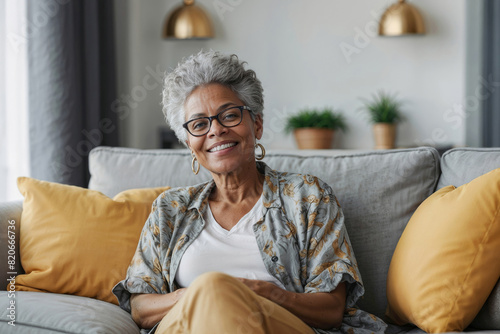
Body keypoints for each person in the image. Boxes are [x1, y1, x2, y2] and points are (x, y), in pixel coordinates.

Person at [112, 50, 387, 334]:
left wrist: (263, 293)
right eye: (199, 124)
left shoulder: (307, 197)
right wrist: (202, 294)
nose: (216, 130)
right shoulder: (169, 209)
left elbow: (330, 310)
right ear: (189, 144)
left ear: (256, 124)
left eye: (229, 115)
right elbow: (141, 307)